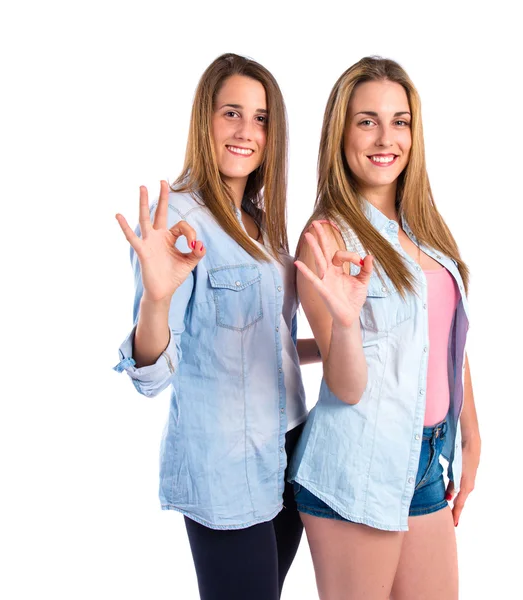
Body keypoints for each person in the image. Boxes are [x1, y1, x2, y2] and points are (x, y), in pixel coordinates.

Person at [113, 53, 318, 600]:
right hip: (225, 466)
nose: (247, 131)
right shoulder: (176, 221)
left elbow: (264, 344)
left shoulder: (263, 221)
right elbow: (152, 373)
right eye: (232, 113)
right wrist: (156, 298)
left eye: (262, 118)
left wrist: (340, 341)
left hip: (291, 449)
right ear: (205, 119)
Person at [288, 56, 481, 600]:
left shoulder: (426, 232)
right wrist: (345, 327)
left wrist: (471, 433)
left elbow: (446, 341)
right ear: (341, 131)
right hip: (358, 461)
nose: (385, 137)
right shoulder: (326, 240)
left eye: (400, 121)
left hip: (428, 460)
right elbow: (347, 387)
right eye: (366, 120)